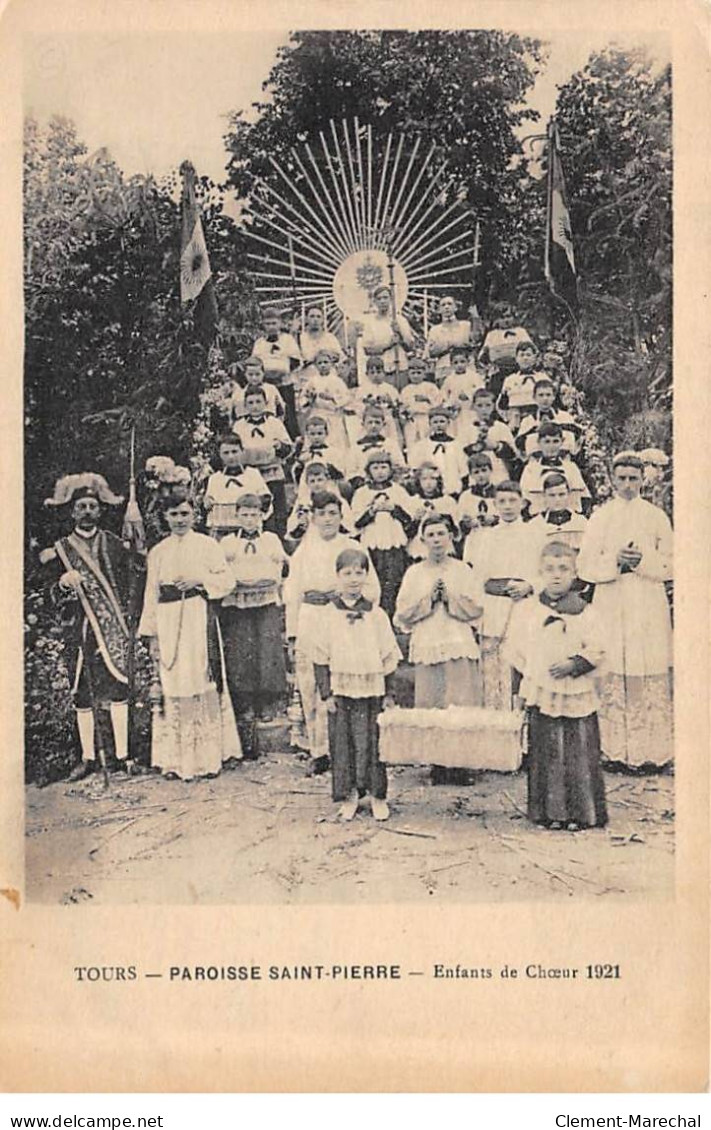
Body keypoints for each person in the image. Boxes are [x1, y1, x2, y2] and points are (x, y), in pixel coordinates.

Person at [577, 452, 673, 769]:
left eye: (634, 478)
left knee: (646, 663)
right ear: (613, 480)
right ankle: (614, 751)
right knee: (614, 664)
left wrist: (642, 561)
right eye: (622, 478)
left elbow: (672, 563)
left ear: (642, 479)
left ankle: (651, 753)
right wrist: (616, 561)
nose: (628, 485)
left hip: (646, 598)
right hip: (612, 597)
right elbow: (585, 566)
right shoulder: (601, 517)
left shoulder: (656, 516)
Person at [41, 473, 140, 780]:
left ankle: (124, 756)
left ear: (99, 511)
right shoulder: (58, 551)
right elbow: (48, 592)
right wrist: (63, 582)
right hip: (79, 627)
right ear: (72, 512)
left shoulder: (114, 544)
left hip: (112, 627)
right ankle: (88, 758)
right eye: (81, 506)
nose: (86, 511)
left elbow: (131, 582)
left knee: (118, 686)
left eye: (92, 507)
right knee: (82, 692)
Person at [138, 493, 242, 781]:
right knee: (173, 682)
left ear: (194, 514)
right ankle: (174, 761)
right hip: (168, 619)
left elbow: (227, 581)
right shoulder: (158, 551)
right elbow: (150, 593)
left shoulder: (207, 545)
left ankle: (207, 759)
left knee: (200, 678)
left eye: (184, 513)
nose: (180, 520)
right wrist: (152, 634)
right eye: (174, 515)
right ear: (165, 518)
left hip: (198, 616)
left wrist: (199, 581)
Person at [505, 541, 608, 830]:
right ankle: (549, 812)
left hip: (576, 691)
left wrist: (575, 664)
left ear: (574, 573)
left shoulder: (586, 612)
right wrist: (525, 685)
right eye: (549, 569)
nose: (556, 576)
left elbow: (599, 648)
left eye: (563, 569)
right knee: (545, 750)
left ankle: (580, 813)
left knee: (577, 749)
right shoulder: (528, 610)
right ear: (540, 572)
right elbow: (516, 650)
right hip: (542, 691)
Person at [284, 490, 380, 775]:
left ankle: (346, 750)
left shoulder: (352, 546)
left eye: (332, 514)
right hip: (311, 619)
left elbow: (372, 590)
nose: (327, 520)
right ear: (312, 517)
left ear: (341, 516)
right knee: (311, 684)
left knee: (341, 683)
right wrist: (292, 634)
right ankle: (319, 749)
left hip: (344, 619)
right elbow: (292, 594)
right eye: (321, 514)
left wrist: (348, 601)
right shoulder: (304, 550)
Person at [313, 548, 401, 821]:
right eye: (347, 573)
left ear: (366, 576)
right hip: (341, 689)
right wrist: (326, 693)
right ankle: (349, 795)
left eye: (359, 573)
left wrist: (389, 692)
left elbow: (389, 656)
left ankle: (377, 795)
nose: (353, 579)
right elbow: (319, 656)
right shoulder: (327, 614)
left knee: (374, 743)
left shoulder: (376, 615)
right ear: (337, 576)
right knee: (343, 744)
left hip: (372, 689)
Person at [219, 495, 288, 756]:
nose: (250, 520)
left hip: (266, 599)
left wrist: (268, 580)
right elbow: (223, 571)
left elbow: (279, 566)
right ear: (237, 516)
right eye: (245, 515)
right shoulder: (228, 543)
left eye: (254, 515)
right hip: (238, 603)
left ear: (262, 516)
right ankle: (245, 701)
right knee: (241, 651)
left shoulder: (270, 540)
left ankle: (267, 702)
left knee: (268, 650)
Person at [395, 514, 482, 710]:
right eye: (431, 535)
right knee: (430, 702)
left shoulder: (462, 570)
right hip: (428, 639)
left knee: (460, 703)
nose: (436, 539)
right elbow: (403, 612)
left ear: (450, 536)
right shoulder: (414, 573)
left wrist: (450, 599)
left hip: (457, 640)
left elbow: (476, 608)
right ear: (423, 540)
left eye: (441, 534)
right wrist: (429, 600)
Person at [465, 481, 537, 711]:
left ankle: (520, 726)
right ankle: (495, 723)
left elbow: (544, 571)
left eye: (513, 501)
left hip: (523, 605)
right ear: (494, 505)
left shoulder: (533, 533)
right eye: (502, 502)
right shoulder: (486, 537)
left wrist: (529, 585)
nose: (507, 506)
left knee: (520, 662)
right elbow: (477, 578)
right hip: (494, 606)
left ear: (523, 503)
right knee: (493, 667)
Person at [351, 450, 417, 618]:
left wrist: (394, 509)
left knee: (395, 579)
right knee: (376, 579)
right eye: (375, 468)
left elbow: (409, 518)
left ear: (390, 470)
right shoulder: (362, 493)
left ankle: (396, 616)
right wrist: (372, 511)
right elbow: (356, 522)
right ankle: (377, 617)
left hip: (394, 542)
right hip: (373, 542)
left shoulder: (398, 490)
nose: (380, 472)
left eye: (383, 467)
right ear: (368, 471)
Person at [232, 387, 293, 537]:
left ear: (265, 403)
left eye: (258, 402)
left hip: (271, 472)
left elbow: (288, 448)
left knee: (276, 508)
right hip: (249, 474)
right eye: (250, 402)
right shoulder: (240, 426)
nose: (255, 406)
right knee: (251, 507)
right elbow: (233, 447)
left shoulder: (274, 423)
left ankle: (277, 538)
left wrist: (280, 446)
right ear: (245, 406)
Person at [203, 435, 272, 539]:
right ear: (220, 455)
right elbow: (208, 503)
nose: (231, 457)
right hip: (221, 531)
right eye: (226, 453)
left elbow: (266, 501)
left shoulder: (252, 475)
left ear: (242, 451)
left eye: (234, 452)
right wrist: (208, 502)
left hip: (248, 530)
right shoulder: (215, 478)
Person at [251, 306, 302, 438]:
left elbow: (295, 361)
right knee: (269, 414)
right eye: (268, 324)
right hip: (266, 385)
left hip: (284, 384)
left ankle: (291, 442)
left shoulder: (287, 340)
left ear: (280, 323)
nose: (271, 327)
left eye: (274, 323)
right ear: (263, 325)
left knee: (288, 416)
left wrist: (281, 371)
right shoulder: (260, 343)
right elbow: (255, 363)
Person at [520, 423, 590, 516]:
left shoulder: (571, 468)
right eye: (547, 442)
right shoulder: (531, 470)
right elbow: (523, 502)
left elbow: (584, 498)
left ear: (562, 442)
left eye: (555, 441)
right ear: (539, 442)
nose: (551, 446)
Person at [286, 461, 354, 550]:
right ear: (307, 483)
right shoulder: (303, 503)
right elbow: (293, 530)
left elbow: (348, 526)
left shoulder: (338, 501)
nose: (316, 484)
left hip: (335, 543)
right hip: (312, 543)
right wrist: (301, 526)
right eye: (312, 481)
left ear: (326, 480)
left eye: (320, 480)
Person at [359, 284, 415, 389]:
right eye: (379, 298)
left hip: (401, 367)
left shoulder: (400, 320)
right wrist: (388, 345)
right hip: (381, 370)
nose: (382, 301)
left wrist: (401, 335)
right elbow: (367, 349)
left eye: (385, 298)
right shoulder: (370, 323)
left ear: (391, 299)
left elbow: (410, 347)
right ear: (374, 302)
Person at [459, 388, 519, 484]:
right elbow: (461, 456)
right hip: (476, 477)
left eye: (488, 405)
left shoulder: (501, 427)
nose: (484, 409)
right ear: (473, 406)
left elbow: (513, 455)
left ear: (493, 406)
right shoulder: (466, 429)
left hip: (499, 474)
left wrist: (497, 446)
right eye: (480, 406)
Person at [407, 404, 468, 497]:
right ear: (430, 424)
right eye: (435, 422)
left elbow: (464, 470)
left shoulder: (457, 445)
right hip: (429, 491)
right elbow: (415, 468)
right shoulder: (422, 445)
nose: (439, 425)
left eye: (442, 421)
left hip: (453, 489)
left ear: (448, 423)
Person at [298, 348, 351, 451]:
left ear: (331, 364)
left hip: (333, 416)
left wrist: (333, 398)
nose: (323, 365)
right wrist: (309, 400)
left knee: (335, 443)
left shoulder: (337, 381)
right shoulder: (312, 381)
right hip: (317, 414)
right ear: (315, 365)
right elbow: (303, 398)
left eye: (325, 362)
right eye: (320, 363)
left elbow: (346, 397)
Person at [516, 378, 581, 459]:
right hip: (536, 463)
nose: (545, 399)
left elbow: (573, 442)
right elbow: (521, 446)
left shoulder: (565, 417)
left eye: (548, 395)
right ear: (534, 397)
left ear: (553, 397)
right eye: (541, 395)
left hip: (563, 461)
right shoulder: (528, 421)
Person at [407, 461, 459, 561]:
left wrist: (442, 518)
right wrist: (416, 520)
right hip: (419, 549)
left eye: (433, 478)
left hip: (443, 547)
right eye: (424, 479)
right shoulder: (412, 502)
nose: (428, 483)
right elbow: (408, 533)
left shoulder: (448, 501)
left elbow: (455, 531)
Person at [347, 402, 405, 489]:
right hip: (365, 486)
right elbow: (350, 471)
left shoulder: (390, 444)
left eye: (377, 422)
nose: (373, 426)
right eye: (370, 422)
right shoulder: (356, 447)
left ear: (383, 424)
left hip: (388, 484)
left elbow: (400, 465)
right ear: (363, 424)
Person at [527, 473, 588, 554]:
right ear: (544, 496)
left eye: (561, 494)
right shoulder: (535, 525)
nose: (557, 500)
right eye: (552, 495)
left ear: (569, 494)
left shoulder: (581, 522)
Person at [350, 354, 402, 448]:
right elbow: (357, 407)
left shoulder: (390, 389)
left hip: (386, 421)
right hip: (371, 422)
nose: (375, 375)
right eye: (372, 372)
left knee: (389, 443)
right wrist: (368, 407)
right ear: (367, 374)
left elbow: (397, 406)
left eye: (378, 372)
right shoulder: (362, 390)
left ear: (384, 373)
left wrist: (390, 403)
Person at [424, 295, 474, 383]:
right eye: (443, 305)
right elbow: (429, 352)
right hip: (444, 368)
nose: (447, 307)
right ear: (439, 310)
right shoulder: (435, 330)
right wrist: (446, 345)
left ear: (455, 307)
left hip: (465, 368)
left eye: (450, 304)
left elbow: (474, 343)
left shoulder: (466, 325)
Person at [455, 452, 499, 550]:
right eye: (476, 472)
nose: (481, 475)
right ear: (471, 474)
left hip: (496, 538)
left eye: (484, 470)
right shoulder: (466, 496)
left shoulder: (499, 494)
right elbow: (460, 521)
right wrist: (467, 523)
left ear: (491, 470)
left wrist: (494, 520)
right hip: (474, 540)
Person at [399, 354, 442, 451]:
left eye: (418, 373)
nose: (416, 376)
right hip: (412, 420)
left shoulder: (430, 387)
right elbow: (402, 407)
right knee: (412, 443)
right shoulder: (406, 390)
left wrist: (427, 399)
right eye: (413, 373)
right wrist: (405, 414)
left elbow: (437, 403)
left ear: (424, 374)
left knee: (427, 442)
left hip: (425, 418)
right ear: (408, 374)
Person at [498, 340, 545, 428]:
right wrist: (509, 418)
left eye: (528, 355)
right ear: (516, 358)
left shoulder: (542, 378)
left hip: (537, 418)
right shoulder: (510, 380)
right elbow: (501, 405)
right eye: (522, 355)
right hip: (516, 419)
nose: (525, 358)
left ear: (535, 358)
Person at [441, 345, 485, 437]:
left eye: (462, 362)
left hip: (470, 409)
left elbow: (480, 389)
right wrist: (449, 405)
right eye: (456, 363)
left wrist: (469, 394)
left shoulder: (474, 376)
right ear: (451, 364)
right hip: (456, 411)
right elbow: (444, 393)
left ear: (468, 362)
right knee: (456, 431)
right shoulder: (449, 379)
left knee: (471, 430)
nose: (459, 365)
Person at [291, 413, 347, 485]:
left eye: (320, 433)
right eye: (312, 434)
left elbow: (341, 475)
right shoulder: (305, 454)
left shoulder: (334, 453)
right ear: (307, 435)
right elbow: (297, 476)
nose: (316, 437)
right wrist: (300, 466)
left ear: (326, 433)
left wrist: (330, 468)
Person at [231, 355, 286, 424]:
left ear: (263, 373)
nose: (254, 378)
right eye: (250, 374)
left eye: (257, 374)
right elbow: (235, 416)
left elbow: (281, 410)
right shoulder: (239, 394)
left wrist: (277, 424)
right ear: (245, 374)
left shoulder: (271, 390)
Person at [298, 305, 345, 383]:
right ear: (306, 319)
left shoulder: (330, 337)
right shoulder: (301, 338)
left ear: (323, 319)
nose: (315, 320)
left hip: (329, 378)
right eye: (312, 316)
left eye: (318, 317)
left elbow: (340, 357)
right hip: (307, 378)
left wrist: (328, 354)